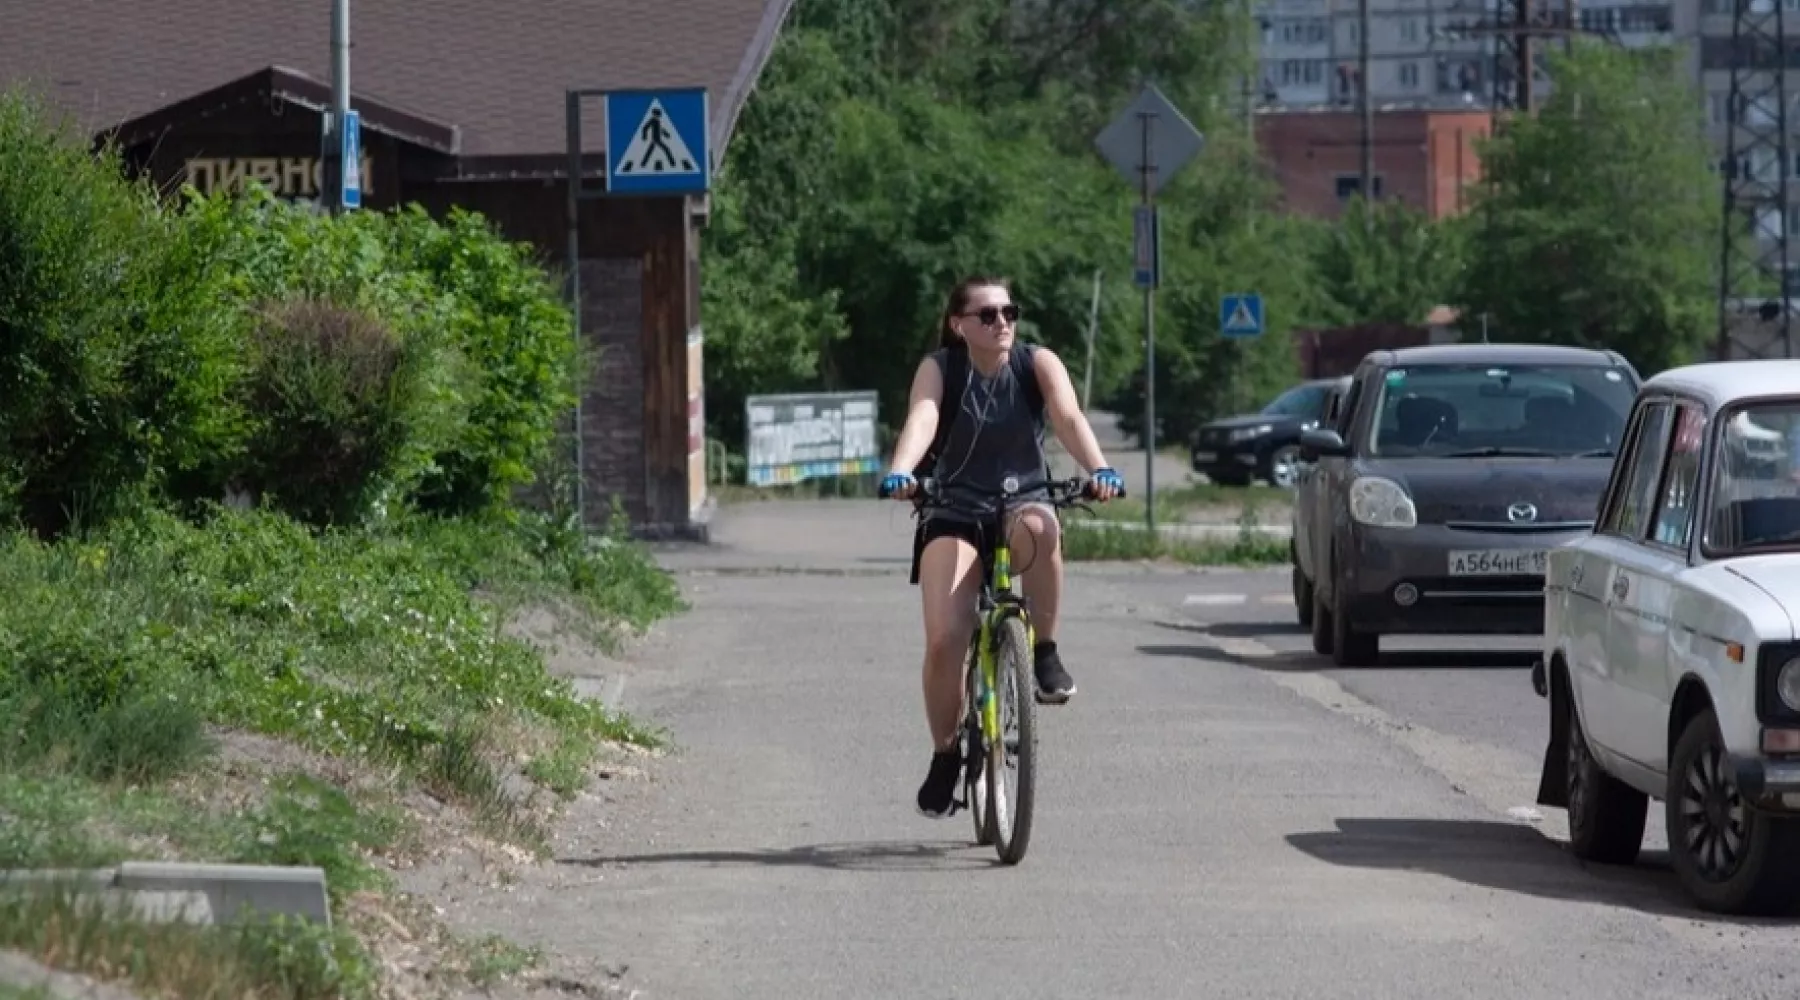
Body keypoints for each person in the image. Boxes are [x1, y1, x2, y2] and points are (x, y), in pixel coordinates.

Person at [877, 275, 1123, 819]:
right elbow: (925, 416)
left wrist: (1099, 469)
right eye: (987, 315)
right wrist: (901, 471)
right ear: (958, 324)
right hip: (953, 507)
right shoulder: (942, 368)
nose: (1002, 322)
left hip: (1022, 500)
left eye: (1009, 311)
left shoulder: (1038, 363)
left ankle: (1045, 651)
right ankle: (945, 755)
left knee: (1040, 526)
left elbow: (1067, 416)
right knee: (945, 639)